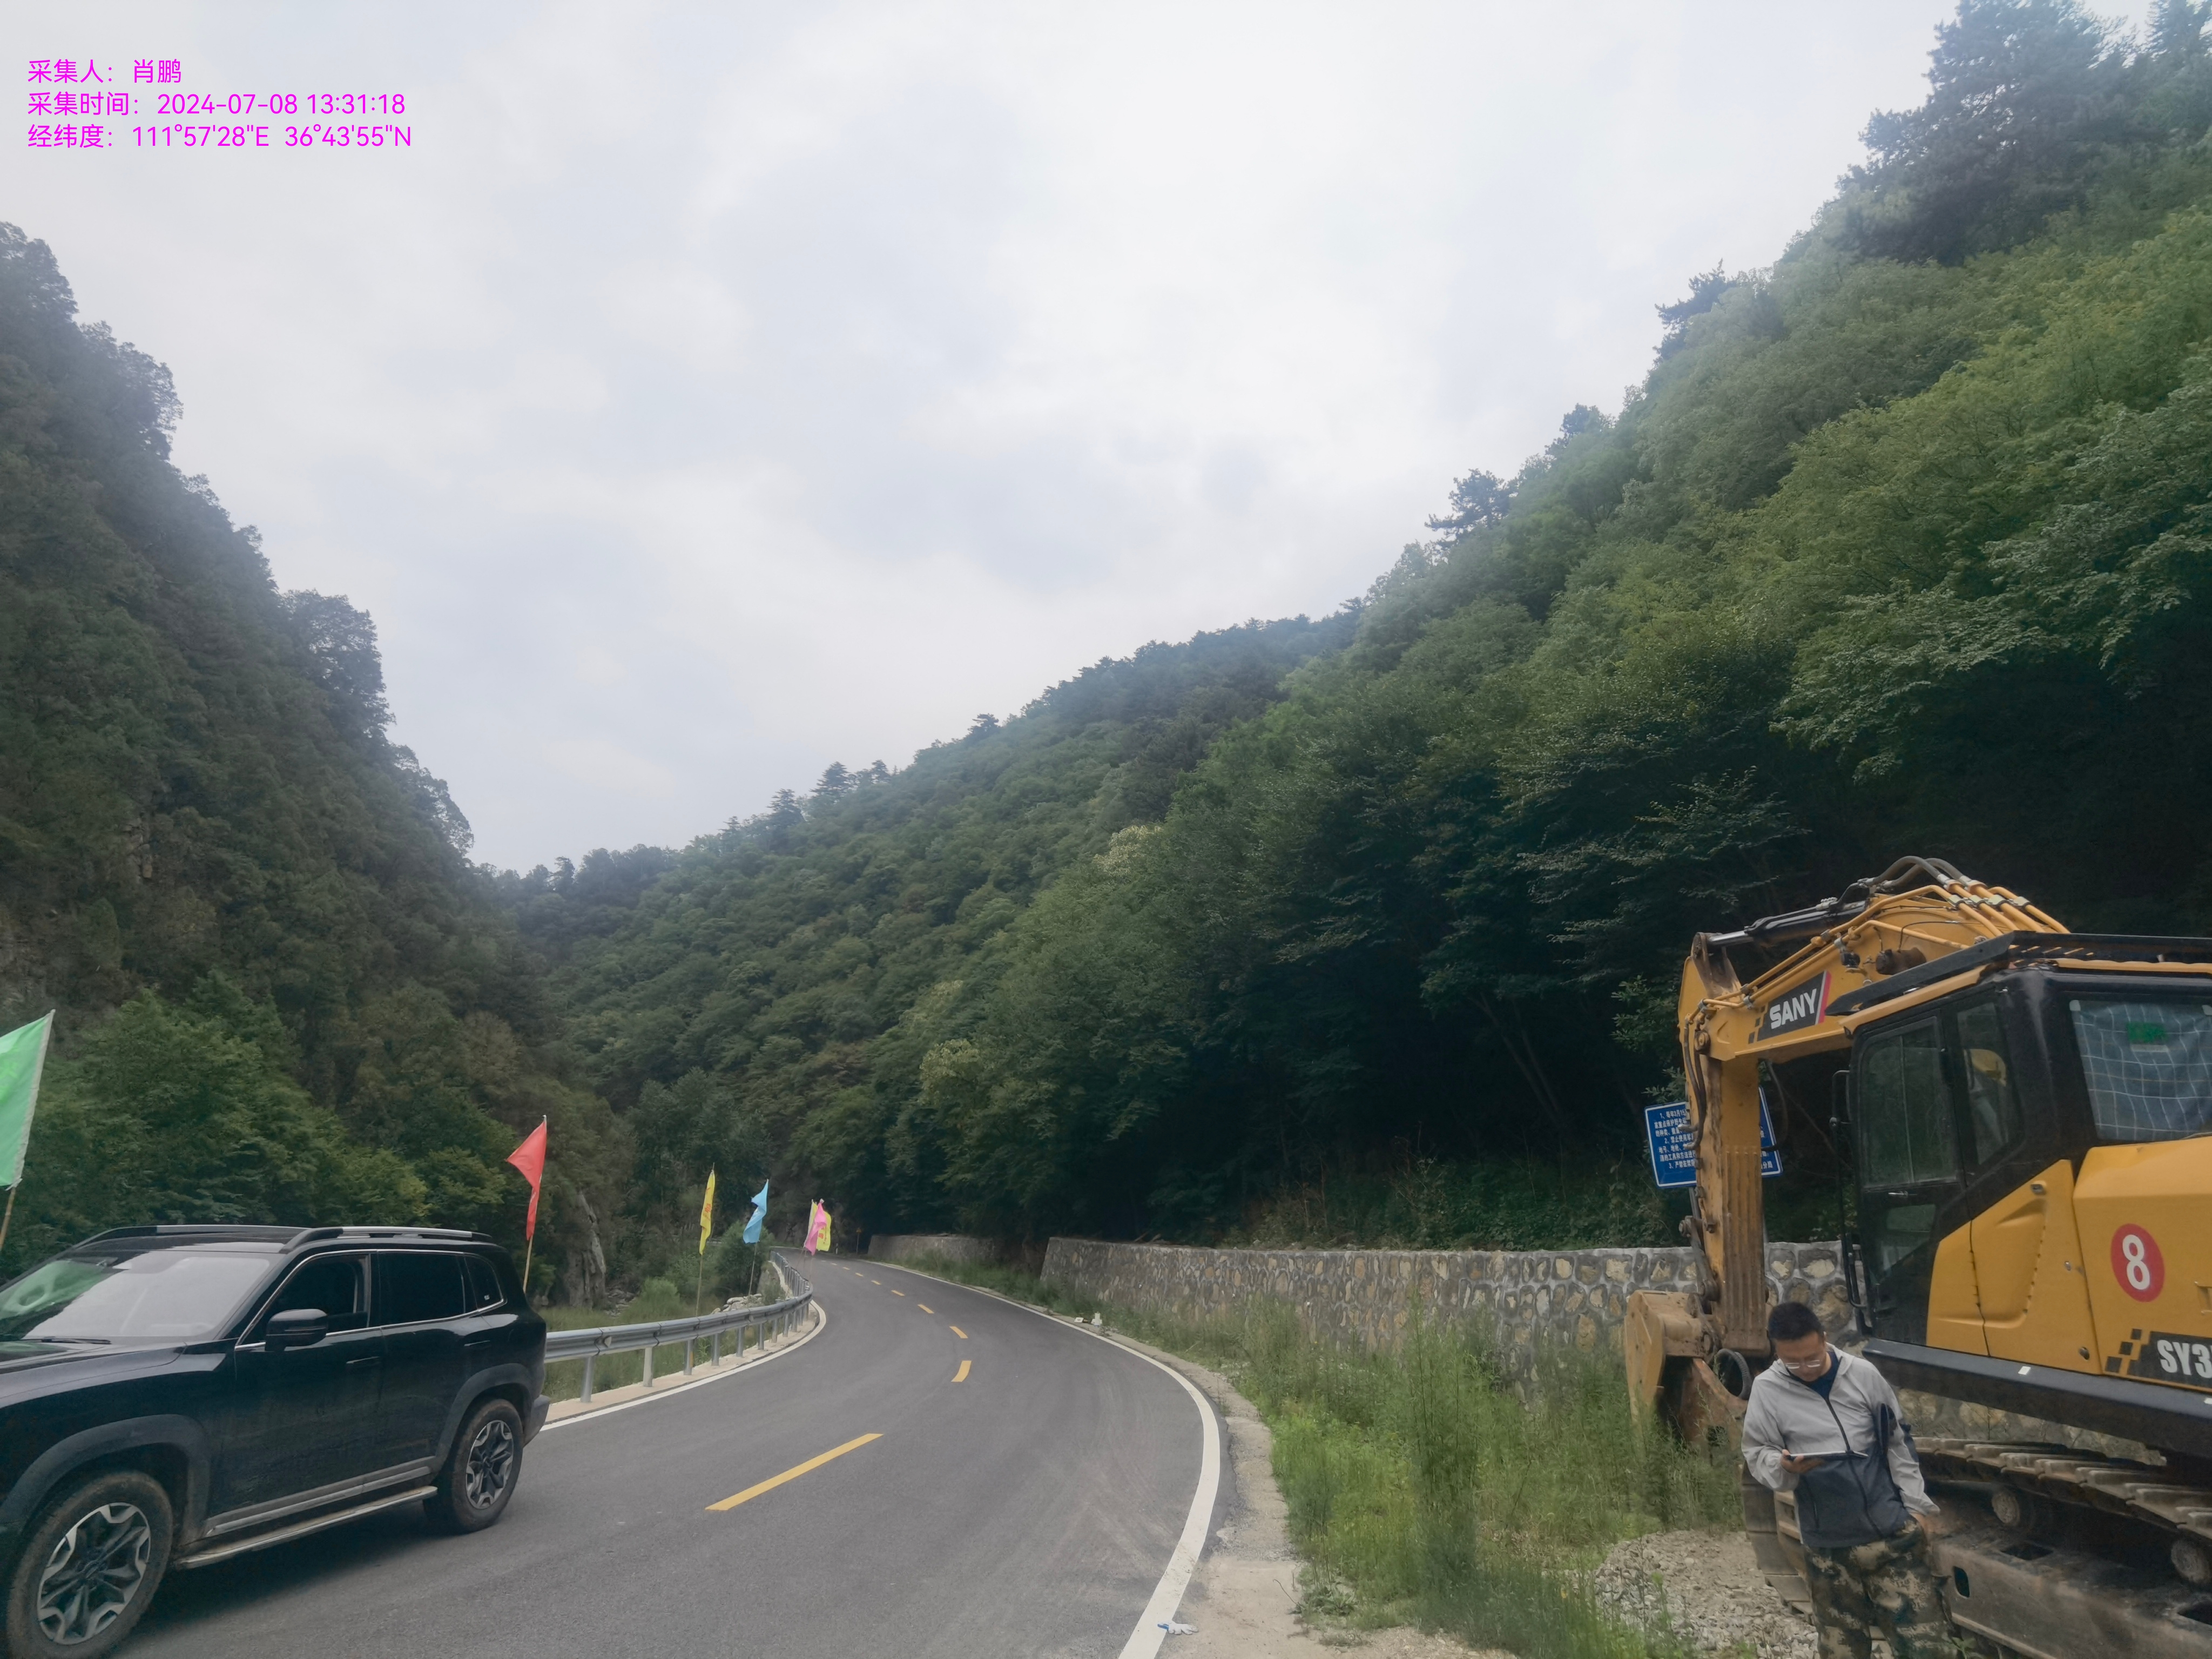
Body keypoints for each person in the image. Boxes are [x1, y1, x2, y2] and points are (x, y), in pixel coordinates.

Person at [1741, 1301, 1955, 1659]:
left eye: (1812, 1359)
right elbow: (1756, 1452)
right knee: (1842, 1651)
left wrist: (1917, 1510)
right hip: (1828, 1549)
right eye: (1793, 1363)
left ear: (1825, 1339)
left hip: (1891, 1538)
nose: (1805, 1369)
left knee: (1928, 1649)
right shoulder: (1767, 1389)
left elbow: (1897, 1441)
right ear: (1777, 1352)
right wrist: (1784, 1467)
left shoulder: (1863, 1375)